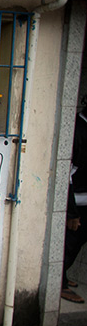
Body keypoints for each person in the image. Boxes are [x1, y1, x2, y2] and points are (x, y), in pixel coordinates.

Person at [63, 108, 87, 303]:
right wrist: (72, 211)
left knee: (77, 240)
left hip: (81, 197)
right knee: (71, 241)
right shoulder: (78, 130)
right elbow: (67, 174)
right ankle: (60, 281)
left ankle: (63, 276)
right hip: (77, 199)